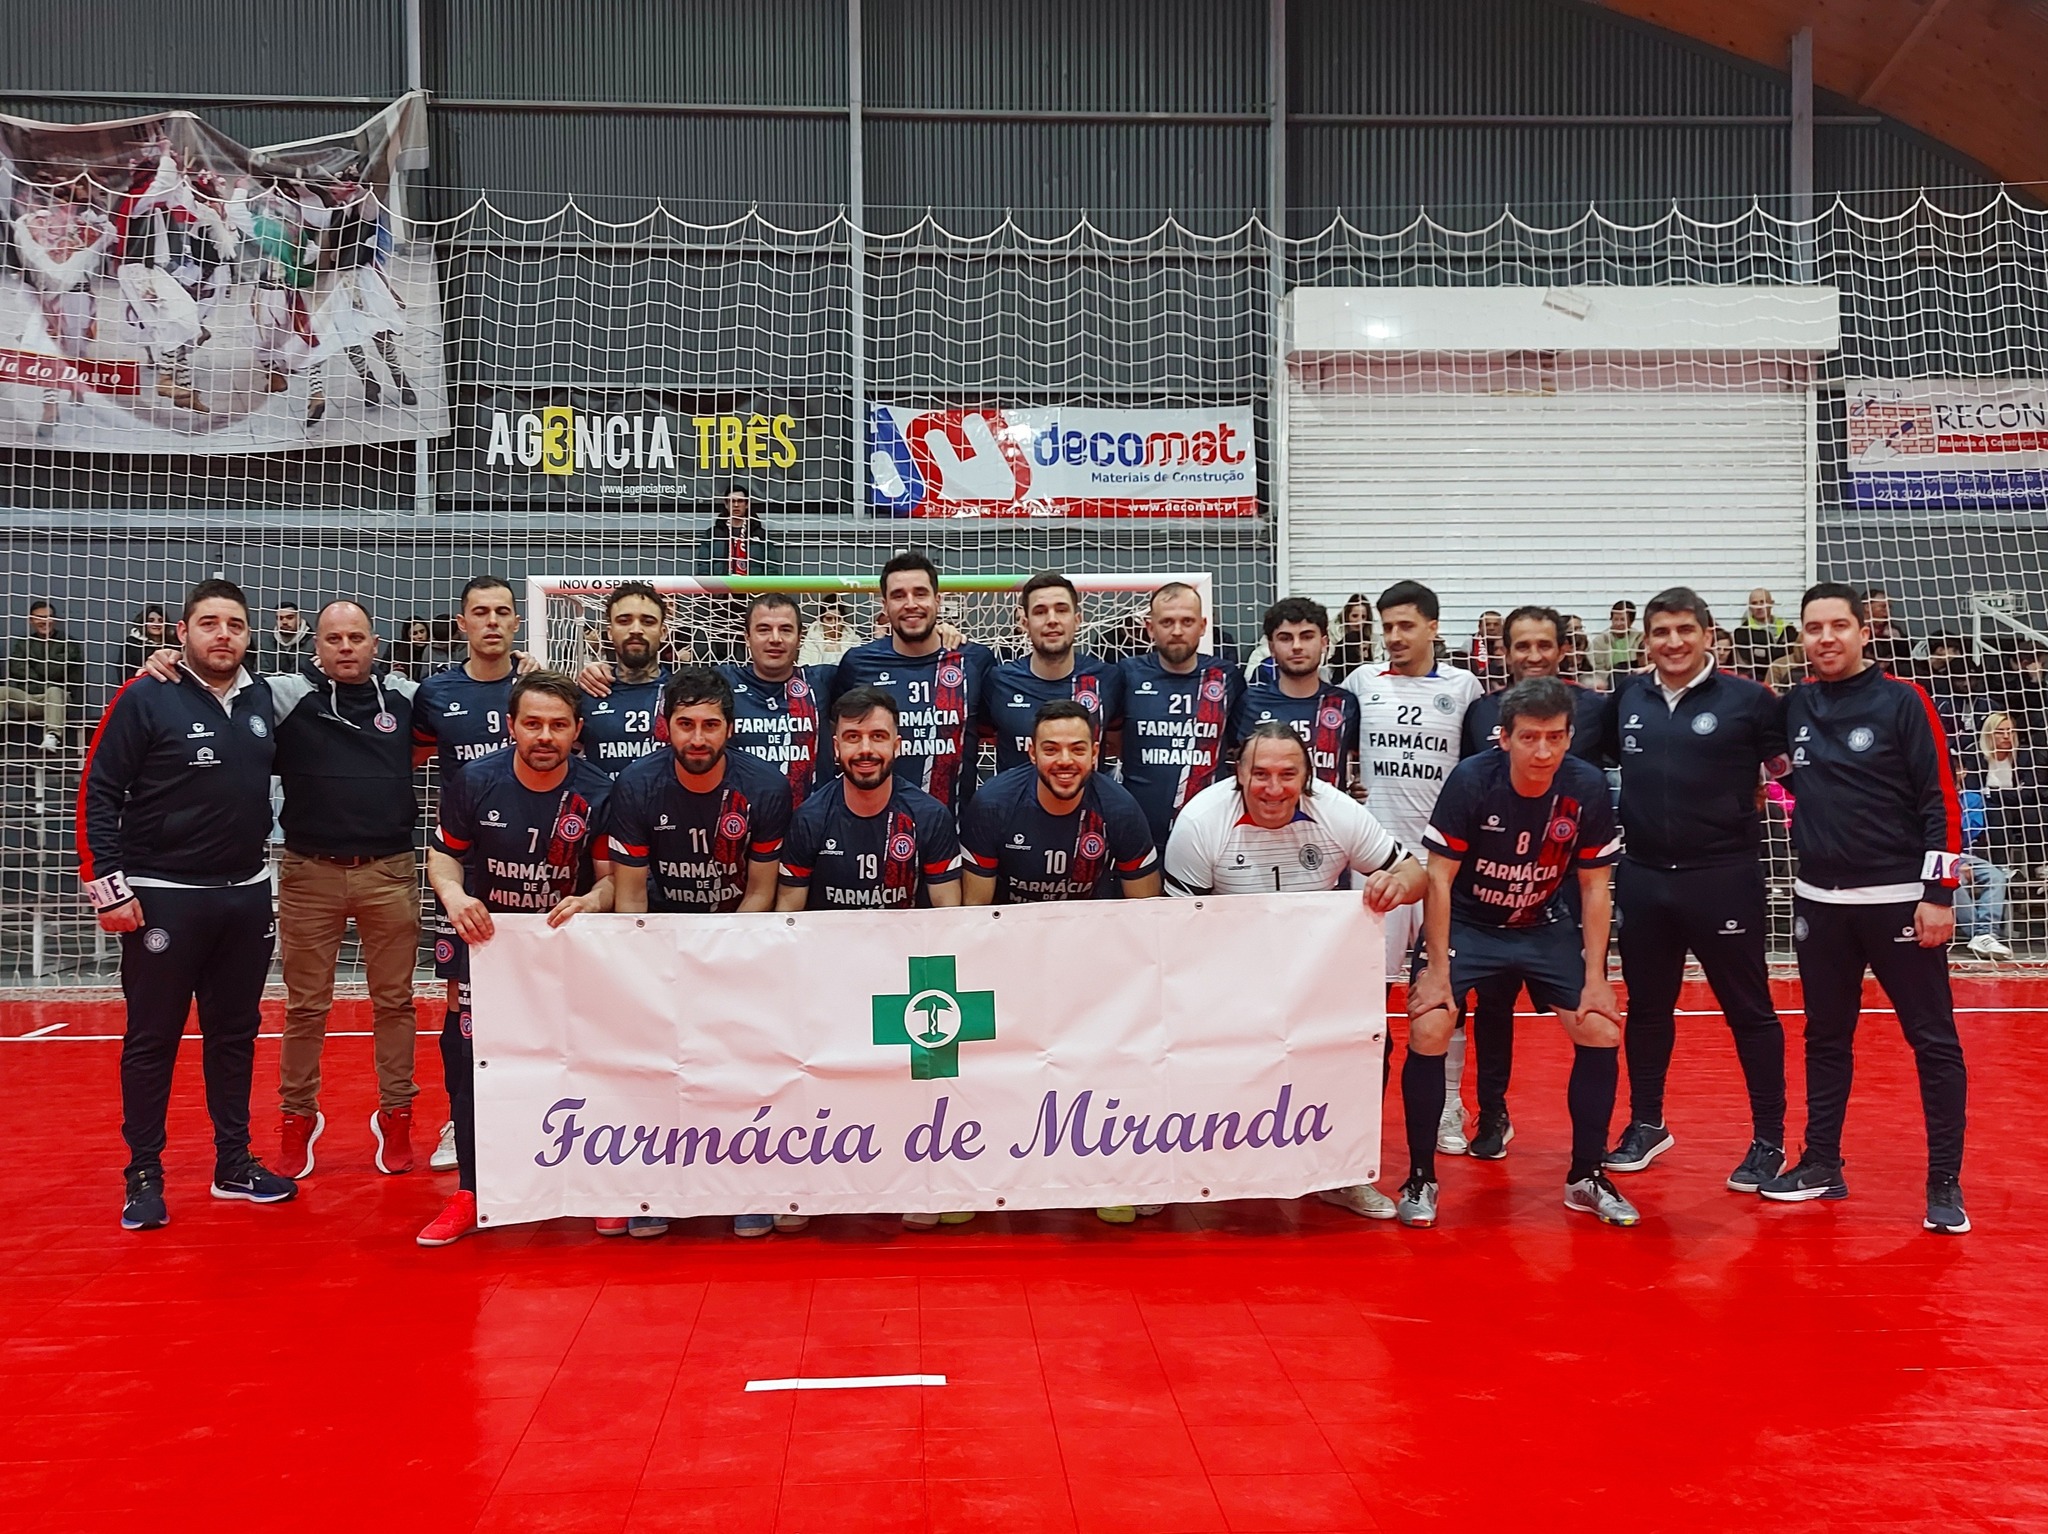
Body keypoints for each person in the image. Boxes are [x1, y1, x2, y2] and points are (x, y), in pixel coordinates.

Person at [139, 599, 428, 1180]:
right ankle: (298, 1117)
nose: (345, 647)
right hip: (308, 873)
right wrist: (170, 662)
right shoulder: (281, 694)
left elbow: (480, 701)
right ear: (316, 646)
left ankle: (396, 1113)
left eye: (356, 637)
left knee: (395, 1002)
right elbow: (212, 687)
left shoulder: (408, 696)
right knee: (305, 1005)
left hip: (390, 871)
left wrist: (524, 665)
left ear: (375, 644)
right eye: (333, 638)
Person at [80, 578, 296, 1232]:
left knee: (235, 1036)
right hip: (162, 899)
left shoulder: (262, 697)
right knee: (153, 1040)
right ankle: (143, 1174)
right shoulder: (145, 694)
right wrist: (109, 890)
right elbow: (98, 790)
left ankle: (234, 1163)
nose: (222, 635)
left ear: (249, 634)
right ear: (182, 632)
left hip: (245, 895)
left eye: (235, 624)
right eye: (208, 623)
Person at [1761, 582, 1969, 1234]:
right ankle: (1822, 1163)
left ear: (1863, 632)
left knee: (1932, 1040)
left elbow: (1941, 799)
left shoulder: (1903, 700)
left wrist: (1939, 895)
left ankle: (1944, 1182)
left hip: (1899, 901)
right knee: (1825, 1037)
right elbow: (1777, 765)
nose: (1826, 638)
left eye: (1838, 626)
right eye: (1813, 628)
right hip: (1819, 902)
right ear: (1802, 636)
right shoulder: (1794, 704)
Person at [1164, 722, 1426, 1221]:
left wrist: (1395, 886)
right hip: (1224, 972)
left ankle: (1344, 1173)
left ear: (1308, 777)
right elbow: (1177, 929)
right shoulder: (1200, 821)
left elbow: (1414, 873)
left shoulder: (1336, 811)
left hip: (1314, 973)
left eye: (1288, 774)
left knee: (1369, 1041)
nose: (1273, 788)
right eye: (1260, 774)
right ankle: (1183, 1167)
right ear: (1238, 774)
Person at [1404, 677, 1630, 1229]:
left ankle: (1586, 1176)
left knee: (1601, 1027)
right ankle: (1419, 1177)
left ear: (1570, 737)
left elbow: (1595, 887)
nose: (1543, 751)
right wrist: (1436, 971)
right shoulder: (1472, 779)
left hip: (1543, 923)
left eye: (1555, 738)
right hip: (1468, 922)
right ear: (1504, 738)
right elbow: (1438, 877)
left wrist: (1597, 976)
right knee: (1430, 1025)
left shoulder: (1586, 786)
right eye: (1530, 738)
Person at [1597, 589, 1791, 1193]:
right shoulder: (1627, 697)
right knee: (1647, 1007)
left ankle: (1769, 1140)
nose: (1673, 642)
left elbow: (1790, 775)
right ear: (1645, 640)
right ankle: (1646, 1123)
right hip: (1645, 877)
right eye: (1661, 632)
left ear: (1709, 634)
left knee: (1748, 1010)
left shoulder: (1751, 701)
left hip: (1723, 876)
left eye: (1685, 630)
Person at [417, 671, 616, 1247]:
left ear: (577, 730)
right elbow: (443, 858)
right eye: (532, 724)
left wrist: (592, 901)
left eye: (558, 725)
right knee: (472, 1062)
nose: (544, 736)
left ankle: (597, 1187)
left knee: (586, 1062)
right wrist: (454, 895)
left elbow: (612, 881)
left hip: (565, 950)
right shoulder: (476, 780)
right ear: (512, 726)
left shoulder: (599, 791)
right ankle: (471, 1191)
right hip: (488, 947)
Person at [607, 665, 793, 1239]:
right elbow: (630, 896)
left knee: (742, 1064)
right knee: (661, 1063)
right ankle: (655, 1186)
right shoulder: (636, 785)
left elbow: (762, 890)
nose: (697, 737)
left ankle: (748, 1184)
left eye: (710, 725)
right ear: (666, 726)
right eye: (685, 724)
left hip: (738, 941)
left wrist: (723, 956)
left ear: (729, 729)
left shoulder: (765, 786)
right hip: (662, 942)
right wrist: (644, 968)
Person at [961, 699, 1161, 1223]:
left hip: (1091, 961)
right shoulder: (994, 803)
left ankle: (1108, 1175)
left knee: (1099, 1068)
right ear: (1031, 753)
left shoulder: (1119, 810)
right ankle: (980, 1178)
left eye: (1077, 749)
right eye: (1051, 749)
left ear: (1096, 753)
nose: (1064, 760)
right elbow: (972, 912)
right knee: (995, 1071)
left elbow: (1147, 914)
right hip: (1008, 957)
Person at [777, 686, 965, 1231]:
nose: (866, 749)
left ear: (898, 744)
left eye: (878, 737)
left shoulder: (927, 816)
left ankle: (921, 1179)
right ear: (835, 747)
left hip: (904, 980)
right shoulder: (811, 817)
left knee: (913, 1078)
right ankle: (806, 1185)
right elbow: (787, 915)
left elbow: (948, 918)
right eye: (853, 738)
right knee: (821, 1081)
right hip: (828, 980)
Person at [1340, 580, 1483, 1171]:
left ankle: (1448, 1104)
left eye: (1406, 625)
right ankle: (1357, 1113)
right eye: (1387, 627)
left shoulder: (1464, 688)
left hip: (1445, 865)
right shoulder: (1360, 684)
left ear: (1432, 627)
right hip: (1380, 866)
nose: (1395, 637)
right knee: (1365, 998)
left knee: (1446, 993)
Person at [412, 576, 527, 1171]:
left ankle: (533, 1113)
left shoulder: (536, 686)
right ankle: (462, 1120)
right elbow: (406, 757)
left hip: (535, 865)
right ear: (462, 624)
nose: (492, 622)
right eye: (480, 612)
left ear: (516, 622)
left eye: (502, 612)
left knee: (539, 998)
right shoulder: (436, 692)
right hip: (464, 869)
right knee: (463, 1001)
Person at [829, 552, 997, 816]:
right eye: (898, 596)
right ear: (885, 606)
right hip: (874, 825)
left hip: (954, 826)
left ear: (937, 600)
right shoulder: (858, 663)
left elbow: (992, 731)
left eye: (920, 593)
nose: (910, 604)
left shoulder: (975, 660)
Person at [1116, 581, 1246, 853]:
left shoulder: (1227, 676)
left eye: (1187, 621)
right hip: (1139, 832)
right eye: (1167, 622)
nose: (1177, 631)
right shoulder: (1126, 674)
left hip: (1211, 832)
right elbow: (1111, 739)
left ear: (1203, 626)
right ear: (1150, 627)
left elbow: (1238, 746)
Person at [981, 572, 1123, 775]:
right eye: (1040, 612)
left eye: (1061, 610)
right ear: (1025, 623)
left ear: (1077, 620)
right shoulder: (998, 682)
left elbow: (1117, 745)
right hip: (1015, 796)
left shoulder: (1107, 679)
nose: (1052, 620)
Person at [1230, 597, 1360, 791]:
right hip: (1267, 807)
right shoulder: (1249, 702)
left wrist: (1360, 788)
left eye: (1307, 636)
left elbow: (1363, 760)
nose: (1297, 646)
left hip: (1327, 810)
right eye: (1285, 638)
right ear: (1272, 648)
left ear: (1324, 643)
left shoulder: (1345, 704)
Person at [573, 582, 671, 779]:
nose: (636, 629)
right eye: (624, 621)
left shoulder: (682, 694)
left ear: (663, 632)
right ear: (609, 632)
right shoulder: (587, 694)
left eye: (648, 621)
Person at [2, 599, 82, 752]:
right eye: (39, 617)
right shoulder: (23, 644)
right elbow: (17, 669)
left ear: (54, 620)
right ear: (31, 620)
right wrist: (43, 674)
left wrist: (34, 666)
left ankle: (52, 737)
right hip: (30, 697)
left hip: (58, 698)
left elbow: (54, 671)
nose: (45, 621)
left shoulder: (68, 643)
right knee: (1, 692)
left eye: (48, 617)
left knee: (54, 691)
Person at [699, 485, 773, 578]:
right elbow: (703, 567)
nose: (736, 505)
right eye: (732, 501)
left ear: (747, 504)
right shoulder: (712, 534)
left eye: (740, 501)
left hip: (752, 586)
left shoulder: (760, 534)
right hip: (721, 586)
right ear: (726, 505)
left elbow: (771, 567)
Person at [1730, 588, 1794, 681]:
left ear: (1771, 603)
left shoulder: (1788, 629)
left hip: (1786, 678)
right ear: (1750, 607)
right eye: (1754, 603)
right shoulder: (1742, 633)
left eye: (1762, 602)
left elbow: (1793, 656)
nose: (1759, 607)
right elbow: (1751, 660)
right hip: (1756, 680)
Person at [1589, 601, 1640, 690]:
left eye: (1622, 620)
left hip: (1636, 679)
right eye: (1615, 619)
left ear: (1631, 622)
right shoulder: (1600, 641)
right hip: (1611, 681)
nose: (1618, 623)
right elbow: (1598, 669)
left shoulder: (1639, 638)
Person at [798, 593, 859, 666]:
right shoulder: (811, 641)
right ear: (821, 620)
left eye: (838, 619)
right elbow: (802, 665)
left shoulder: (854, 641)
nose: (834, 623)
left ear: (843, 620)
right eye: (829, 619)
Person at [1865, 587, 1914, 677]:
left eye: (1889, 607)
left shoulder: (1894, 631)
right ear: (1867, 607)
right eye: (1883, 606)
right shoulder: (1854, 629)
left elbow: (1907, 656)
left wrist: (1899, 640)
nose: (1888, 611)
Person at [121, 605, 171, 687]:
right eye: (151, 620)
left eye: (161, 621)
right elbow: (126, 671)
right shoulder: (132, 643)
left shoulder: (171, 644)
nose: (156, 624)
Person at [1329, 593, 1376, 678]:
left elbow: (1377, 662)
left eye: (1363, 617)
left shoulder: (1373, 638)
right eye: (1355, 616)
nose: (1359, 621)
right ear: (1347, 616)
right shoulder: (1334, 634)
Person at [262, 601, 309, 675]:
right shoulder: (266, 644)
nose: (284, 622)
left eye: (290, 617)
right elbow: (263, 673)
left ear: (299, 619)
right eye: (280, 618)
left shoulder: (314, 644)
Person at [1467, 610, 1507, 694]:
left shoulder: (1509, 642)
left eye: (1496, 624)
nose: (1491, 628)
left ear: (1502, 626)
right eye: (1487, 624)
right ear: (1479, 627)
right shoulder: (1470, 643)